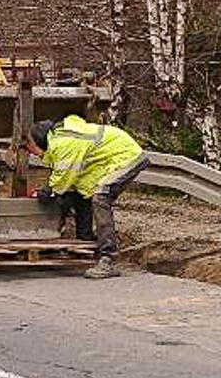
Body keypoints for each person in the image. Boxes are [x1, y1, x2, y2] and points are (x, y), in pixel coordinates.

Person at [27, 114, 149, 279]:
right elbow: (72, 181)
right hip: (108, 160)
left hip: (126, 156)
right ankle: (85, 242)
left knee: (101, 198)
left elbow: (61, 180)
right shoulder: (60, 140)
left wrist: (48, 191)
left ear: (40, 140)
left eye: (30, 144)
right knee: (82, 193)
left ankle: (108, 259)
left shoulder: (63, 143)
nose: (29, 149)